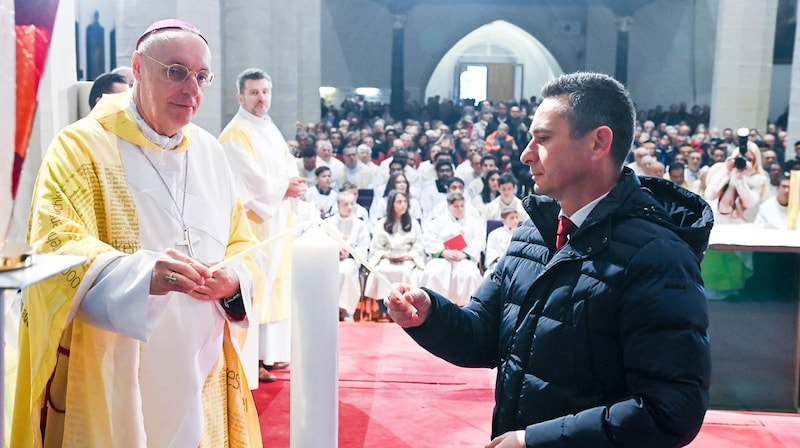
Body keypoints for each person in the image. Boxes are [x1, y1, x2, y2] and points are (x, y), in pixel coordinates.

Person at [385, 72, 712, 447]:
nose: (526, 154)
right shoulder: (533, 233)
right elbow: (484, 335)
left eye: (542, 139)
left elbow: (669, 410)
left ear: (597, 142)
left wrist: (533, 442)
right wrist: (431, 315)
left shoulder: (658, 257)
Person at [15, 19, 263, 446]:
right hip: (118, 361)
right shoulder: (80, 147)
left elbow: (243, 242)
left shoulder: (209, 152)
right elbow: (55, 246)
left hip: (201, 360)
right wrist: (140, 276)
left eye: (202, 76)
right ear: (138, 67)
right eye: (176, 71)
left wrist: (234, 279)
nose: (192, 89)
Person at [219, 67, 307, 384]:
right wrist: (285, 188)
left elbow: (286, 166)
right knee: (255, 288)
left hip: (276, 221)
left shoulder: (268, 128)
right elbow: (249, 181)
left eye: (265, 92)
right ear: (240, 96)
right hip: (252, 225)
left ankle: (269, 354)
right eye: (254, 92)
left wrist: (292, 184)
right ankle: (251, 358)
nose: (261, 98)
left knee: (277, 287)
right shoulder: (235, 134)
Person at [363, 190, 426, 322]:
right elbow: (376, 247)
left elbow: (419, 245)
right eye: (399, 202)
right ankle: (384, 309)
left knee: (406, 271)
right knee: (382, 271)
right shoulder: (382, 223)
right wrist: (386, 255)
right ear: (392, 204)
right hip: (387, 256)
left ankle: (405, 306)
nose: (402, 205)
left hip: (407, 256)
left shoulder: (413, 223)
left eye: (405, 202)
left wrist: (409, 256)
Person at [419, 191, 485, 306]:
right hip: (443, 258)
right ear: (449, 206)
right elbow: (428, 239)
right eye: (456, 206)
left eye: (462, 206)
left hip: (463, 258)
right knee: (434, 272)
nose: (459, 209)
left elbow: (479, 240)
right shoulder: (439, 221)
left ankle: (466, 307)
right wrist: (443, 252)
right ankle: (435, 305)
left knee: (471, 274)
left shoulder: (473, 222)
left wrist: (465, 254)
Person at [326, 191, 371, 320]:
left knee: (347, 272)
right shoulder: (328, 223)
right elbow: (323, 243)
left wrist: (350, 254)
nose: (350, 207)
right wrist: (335, 252)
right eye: (346, 204)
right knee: (330, 272)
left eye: (352, 204)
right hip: (330, 260)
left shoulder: (360, 225)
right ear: (338, 205)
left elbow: (363, 247)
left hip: (351, 260)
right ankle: (330, 309)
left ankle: (346, 310)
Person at [483, 207, 519, 277]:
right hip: (498, 265)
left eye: (517, 217)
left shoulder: (522, 234)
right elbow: (491, 252)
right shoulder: (494, 234)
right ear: (503, 221)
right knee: (489, 275)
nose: (515, 220)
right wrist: (499, 260)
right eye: (512, 218)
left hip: (516, 266)